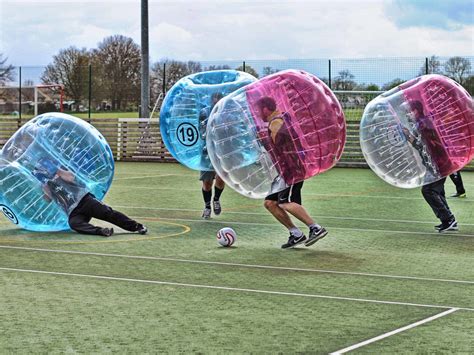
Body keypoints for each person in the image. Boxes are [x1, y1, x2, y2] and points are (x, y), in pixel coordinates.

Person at [257, 96, 327, 248]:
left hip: (291, 170)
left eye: (258, 111)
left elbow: (280, 149)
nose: (257, 114)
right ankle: (296, 234)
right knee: (270, 203)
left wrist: (264, 140)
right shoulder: (279, 120)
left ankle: (315, 228)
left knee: (286, 203)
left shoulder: (276, 123)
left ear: (265, 109)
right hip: (284, 171)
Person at [33, 157, 147, 237]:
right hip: (73, 211)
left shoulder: (60, 171)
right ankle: (101, 231)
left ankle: (137, 226)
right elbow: (47, 200)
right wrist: (44, 184)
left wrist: (56, 170)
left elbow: (71, 177)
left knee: (108, 213)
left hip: (84, 200)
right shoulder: (45, 183)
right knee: (74, 224)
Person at [404, 101, 458, 233]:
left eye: (411, 111)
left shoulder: (423, 124)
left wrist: (408, 136)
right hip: (437, 162)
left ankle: (449, 219)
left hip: (438, 163)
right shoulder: (422, 123)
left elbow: (423, 145)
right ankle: (449, 221)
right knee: (437, 191)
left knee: (428, 190)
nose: (409, 113)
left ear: (417, 110)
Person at [199, 92, 226, 219]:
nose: (216, 100)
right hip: (206, 152)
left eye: (218, 98)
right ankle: (207, 206)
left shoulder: (226, 113)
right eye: (214, 98)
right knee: (207, 183)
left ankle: (216, 199)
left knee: (221, 179)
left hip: (221, 152)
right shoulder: (204, 112)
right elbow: (198, 129)